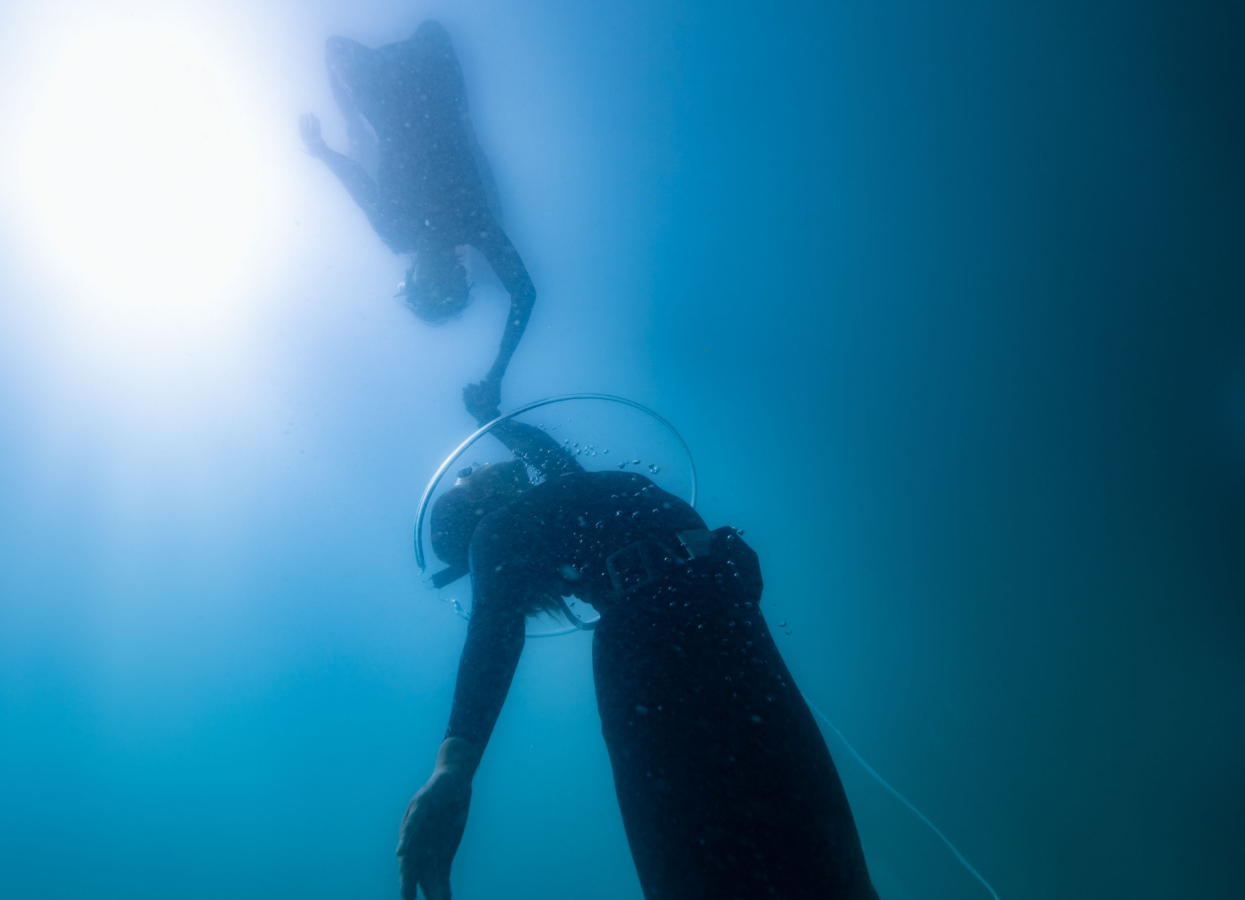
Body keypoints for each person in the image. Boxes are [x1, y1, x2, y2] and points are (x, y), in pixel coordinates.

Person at [396, 405, 879, 900]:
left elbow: (549, 456)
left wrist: (498, 418)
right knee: (808, 842)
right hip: (681, 631)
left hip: (695, 622)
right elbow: (493, 631)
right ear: (472, 508)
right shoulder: (494, 529)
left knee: (737, 856)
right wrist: (454, 767)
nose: (474, 466)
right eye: (467, 476)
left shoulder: (565, 499)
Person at [300, 20, 535, 416]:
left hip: (388, 99)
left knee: (335, 45)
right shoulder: (474, 226)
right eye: (449, 284)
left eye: (430, 284)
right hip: (434, 86)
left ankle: (354, 119)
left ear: (414, 278)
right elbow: (525, 293)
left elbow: (360, 186)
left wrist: (323, 148)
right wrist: (496, 376)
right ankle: (356, 118)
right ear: (459, 276)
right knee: (424, 30)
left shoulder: (397, 232)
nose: (440, 273)